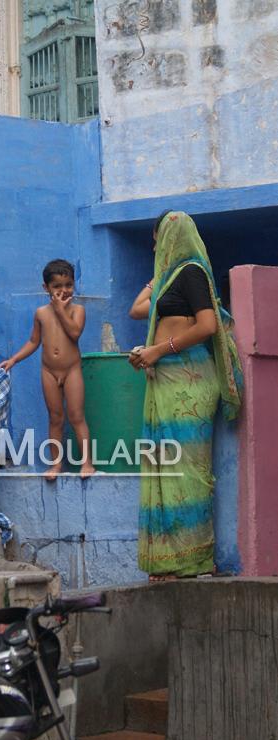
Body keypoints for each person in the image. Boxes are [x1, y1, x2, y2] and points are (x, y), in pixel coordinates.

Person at [128, 211, 242, 580]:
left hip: (189, 380)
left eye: (160, 237)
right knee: (164, 465)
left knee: (186, 470)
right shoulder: (170, 280)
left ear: (174, 236)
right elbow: (138, 310)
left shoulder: (193, 272)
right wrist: (149, 352)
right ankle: (169, 561)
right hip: (166, 379)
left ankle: (195, 560)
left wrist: (160, 350)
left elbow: (207, 326)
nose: (156, 244)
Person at [0, 259, 96, 479]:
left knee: (77, 416)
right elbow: (34, 342)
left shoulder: (78, 310)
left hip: (71, 370)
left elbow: (74, 333)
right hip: (49, 371)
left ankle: (87, 463)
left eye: (69, 285)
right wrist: (14, 359)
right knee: (55, 418)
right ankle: (55, 464)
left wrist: (61, 310)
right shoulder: (41, 313)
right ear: (46, 288)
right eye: (57, 287)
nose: (64, 291)